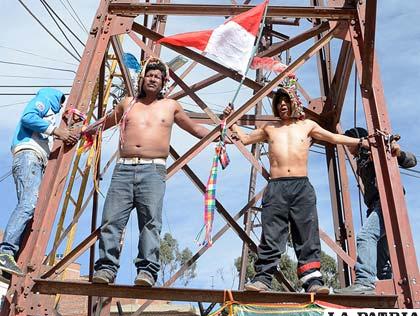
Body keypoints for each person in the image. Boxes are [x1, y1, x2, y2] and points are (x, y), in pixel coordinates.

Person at [223, 83, 369, 294]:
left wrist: (359, 141)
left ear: (293, 103)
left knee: (307, 234)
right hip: (276, 187)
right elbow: (244, 139)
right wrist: (231, 121)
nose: (282, 105)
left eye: (286, 101)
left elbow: (334, 138)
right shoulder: (269, 128)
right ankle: (263, 279)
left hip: (302, 187)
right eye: (278, 102)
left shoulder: (307, 125)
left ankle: (313, 283)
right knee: (272, 234)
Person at [90, 58, 213, 286]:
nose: (153, 79)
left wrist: (220, 133)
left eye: (157, 76)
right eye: (149, 75)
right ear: (142, 78)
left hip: (153, 169)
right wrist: (80, 130)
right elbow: (104, 123)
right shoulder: (127, 104)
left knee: (150, 223)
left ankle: (146, 271)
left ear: (163, 82)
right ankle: (106, 268)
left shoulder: (171, 106)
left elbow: (195, 128)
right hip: (124, 168)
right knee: (111, 220)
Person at [0, 88, 78, 276]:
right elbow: (28, 117)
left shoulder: (47, 121)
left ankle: (11, 258)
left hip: (34, 158)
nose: (60, 109)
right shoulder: (45, 100)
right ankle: (6, 252)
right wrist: (57, 131)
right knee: (29, 203)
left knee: (31, 207)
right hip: (29, 156)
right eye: (61, 104)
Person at [334, 127, 417, 295]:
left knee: (366, 237)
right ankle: (390, 294)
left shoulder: (376, 147)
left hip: (387, 202)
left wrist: (397, 152)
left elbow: (412, 160)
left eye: (349, 141)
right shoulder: (362, 158)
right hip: (375, 206)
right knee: (381, 261)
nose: (347, 145)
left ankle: (364, 282)